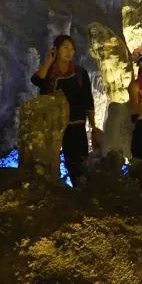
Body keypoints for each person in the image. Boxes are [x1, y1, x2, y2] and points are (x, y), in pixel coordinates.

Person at [31, 34, 98, 184]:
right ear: (56, 49)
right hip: (52, 125)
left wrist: (93, 126)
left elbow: (88, 100)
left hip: (75, 123)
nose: (69, 51)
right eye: (65, 47)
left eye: (72, 49)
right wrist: (49, 60)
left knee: (77, 163)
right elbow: (36, 80)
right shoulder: (49, 73)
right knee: (48, 161)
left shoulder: (80, 73)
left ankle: (80, 192)